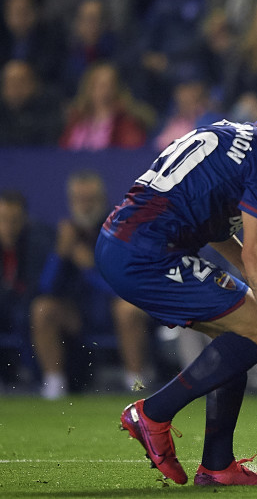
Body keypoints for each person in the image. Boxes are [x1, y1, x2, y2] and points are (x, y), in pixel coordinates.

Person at [95, 69, 257, 486]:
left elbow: (220, 231)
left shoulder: (225, 132)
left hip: (121, 241)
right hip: (148, 253)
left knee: (238, 332)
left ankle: (218, 465)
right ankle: (152, 413)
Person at [29, 170, 153, 399]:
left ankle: (136, 383)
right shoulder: (66, 233)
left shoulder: (118, 230)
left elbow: (125, 286)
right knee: (43, 308)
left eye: (90, 200)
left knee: (127, 309)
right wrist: (60, 254)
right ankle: (54, 384)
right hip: (78, 313)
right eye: (79, 200)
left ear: (102, 200)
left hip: (112, 309)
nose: (84, 206)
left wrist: (89, 267)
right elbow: (46, 288)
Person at [0, 189, 53, 387]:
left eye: (14, 220)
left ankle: (41, 379)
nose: (9, 227)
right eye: (3, 220)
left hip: (26, 305)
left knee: (31, 313)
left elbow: (37, 286)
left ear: (24, 220)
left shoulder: (37, 243)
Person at [59, 61, 155, 151]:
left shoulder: (126, 124)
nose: (104, 90)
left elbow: (131, 156)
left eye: (109, 85)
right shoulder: (76, 121)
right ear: (88, 87)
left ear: (116, 88)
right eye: (98, 84)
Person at [0, 59, 62, 147]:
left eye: (21, 81)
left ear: (33, 84)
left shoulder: (48, 108)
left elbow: (49, 136)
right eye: (10, 82)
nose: (15, 87)